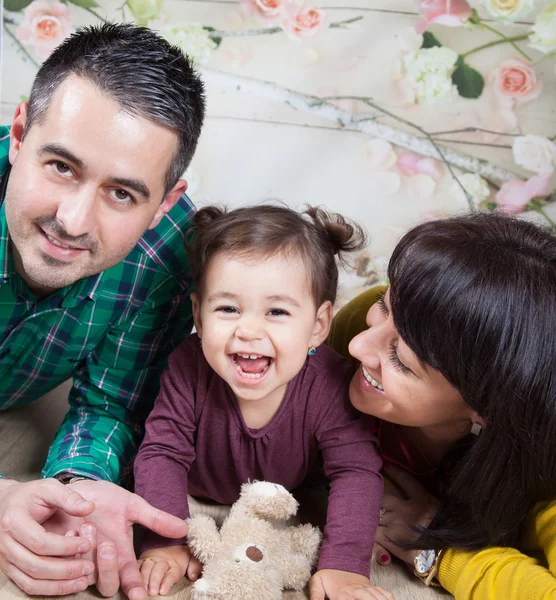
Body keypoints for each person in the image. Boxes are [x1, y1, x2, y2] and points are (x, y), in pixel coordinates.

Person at [0, 22, 205, 600]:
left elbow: (111, 402)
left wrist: (77, 487)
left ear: (164, 201)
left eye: (122, 193)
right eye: (61, 165)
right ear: (18, 136)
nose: (72, 221)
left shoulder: (171, 252)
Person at [133, 204, 394, 600]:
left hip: (283, 497)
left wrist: (344, 564)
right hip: (198, 489)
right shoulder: (188, 365)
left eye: (276, 311)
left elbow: (356, 473)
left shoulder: (329, 382)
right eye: (228, 308)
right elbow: (161, 453)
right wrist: (164, 538)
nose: (249, 330)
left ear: (318, 325)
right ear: (199, 318)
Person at [328, 212, 556, 600]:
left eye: (400, 359)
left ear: (485, 407)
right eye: (385, 305)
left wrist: (437, 553)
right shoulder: (358, 326)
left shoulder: (542, 475)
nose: (359, 346)